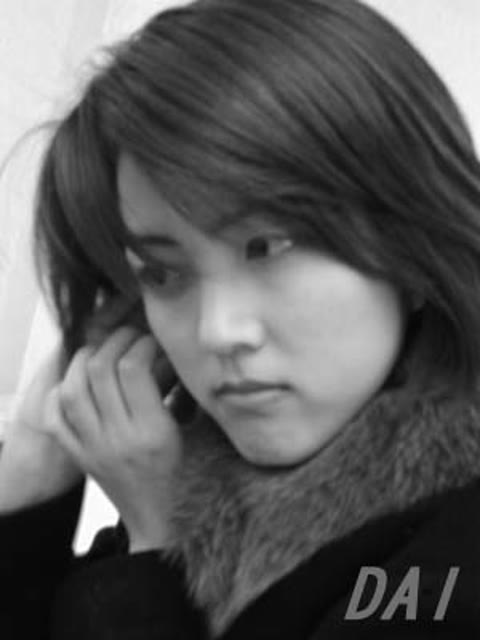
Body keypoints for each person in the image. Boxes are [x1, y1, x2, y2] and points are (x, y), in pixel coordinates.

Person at [1, 0, 480, 637]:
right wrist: (32, 469)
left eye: (269, 246)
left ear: (413, 252)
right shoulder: (202, 462)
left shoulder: (448, 558)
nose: (217, 332)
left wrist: (163, 544)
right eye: (161, 273)